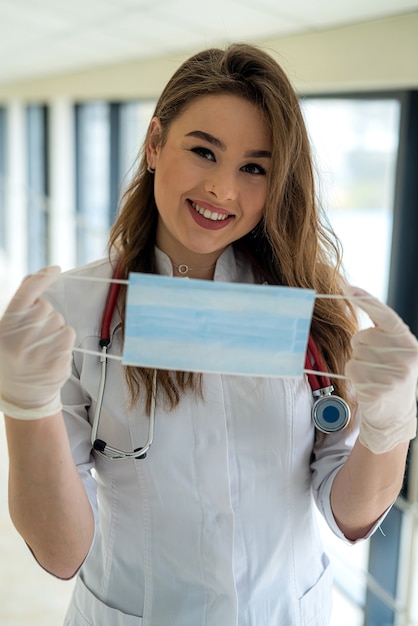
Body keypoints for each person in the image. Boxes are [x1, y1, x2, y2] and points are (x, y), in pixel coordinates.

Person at [1, 43, 417, 626]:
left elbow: (348, 515)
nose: (223, 189)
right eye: (203, 151)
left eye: (254, 167)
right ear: (153, 144)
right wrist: (27, 406)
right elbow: (60, 551)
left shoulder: (311, 310)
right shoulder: (73, 311)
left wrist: (392, 425)